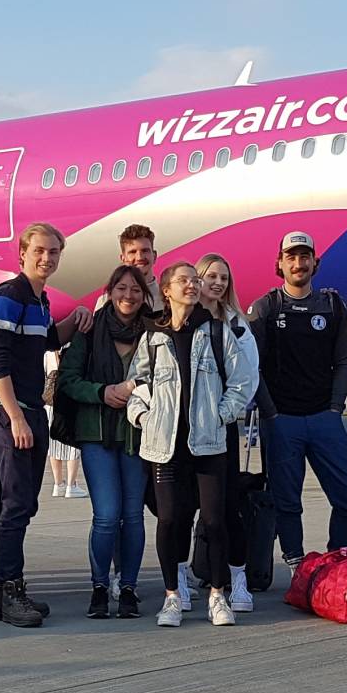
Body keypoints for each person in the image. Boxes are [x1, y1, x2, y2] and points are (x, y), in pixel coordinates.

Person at [129, 263, 257, 628]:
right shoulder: (152, 336)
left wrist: (221, 414)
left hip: (208, 444)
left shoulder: (216, 332)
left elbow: (242, 381)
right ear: (166, 290)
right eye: (183, 280)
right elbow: (136, 382)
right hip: (164, 447)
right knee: (171, 520)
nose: (192, 284)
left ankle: (218, 595)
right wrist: (141, 416)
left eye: (194, 280)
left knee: (215, 521)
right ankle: (173, 596)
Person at [0, 222, 93, 628]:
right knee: (14, 504)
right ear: (23, 254)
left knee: (25, 503)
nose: (47, 258)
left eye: (54, 252)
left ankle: (2, 593)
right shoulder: (7, 298)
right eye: (40, 251)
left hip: (29, 409)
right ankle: (8, 590)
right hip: (8, 409)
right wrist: (14, 417)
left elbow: (46, 340)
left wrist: (77, 320)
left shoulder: (39, 300)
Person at [247, 231, 347, 565]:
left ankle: (336, 558)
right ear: (279, 264)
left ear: (316, 262)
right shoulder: (266, 307)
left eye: (304, 256)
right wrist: (270, 413)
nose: (299, 263)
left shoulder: (333, 305)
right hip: (283, 421)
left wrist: (336, 406)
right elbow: (252, 365)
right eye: (291, 257)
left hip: (325, 418)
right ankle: (296, 562)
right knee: (287, 501)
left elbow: (344, 360)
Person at [58, 265, 150, 619]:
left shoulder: (153, 332)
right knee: (107, 516)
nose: (129, 296)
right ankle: (99, 586)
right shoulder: (90, 329)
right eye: (122, 289)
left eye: (136, 290)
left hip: (137, 434)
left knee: (133, 516)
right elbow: (68, 379)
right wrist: (102, 392)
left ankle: (128, 587)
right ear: (110, 292)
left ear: (145, 294)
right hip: (96, 433)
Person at [195, 252, 263, 611]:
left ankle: (238, 580)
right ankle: (182, 581)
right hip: (185, 431)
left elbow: (248, 376)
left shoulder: (236, 322)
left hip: (221, 431)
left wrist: (223, 414)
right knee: (186, 507)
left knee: (227, 507)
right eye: (212, 276)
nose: (218, 282)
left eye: (224, 277)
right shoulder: (183, 320)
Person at [46, 347, 87, 498]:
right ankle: (72, 484)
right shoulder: (74, 351)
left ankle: (58, 484)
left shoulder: (48, 353)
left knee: (54, 445)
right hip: (69, 402)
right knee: (72, 446)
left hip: (50, 403)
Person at [117, 223, 163, 310]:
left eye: (145, 251)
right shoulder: (108, 301)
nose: (139, 257)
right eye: (133, 252)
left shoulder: (170, 300)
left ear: (154, 256)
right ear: (123, 258)